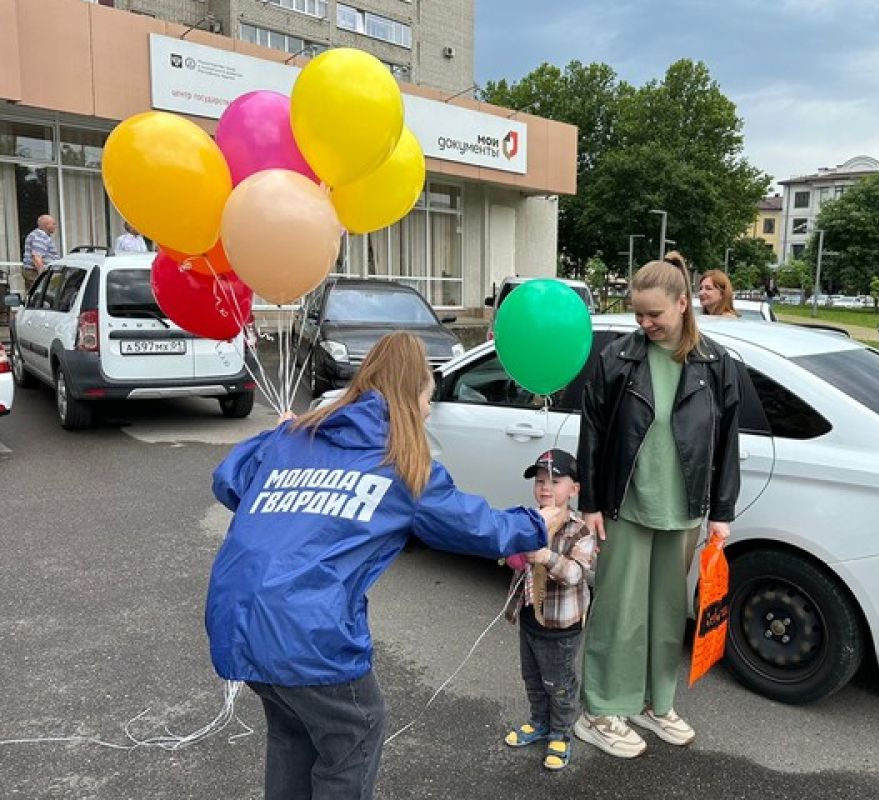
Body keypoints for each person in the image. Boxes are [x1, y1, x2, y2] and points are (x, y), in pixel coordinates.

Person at [205, 332, 559, 800]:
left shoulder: (300, 433)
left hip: (234, 616)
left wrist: (279, 443)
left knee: (295, 732)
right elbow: (474, 525)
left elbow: (230, 481)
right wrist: (535, 525)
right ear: (412, 395)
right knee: (357, 729)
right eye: (429, 397)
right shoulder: (403, 463)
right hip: (306, 631)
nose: (430, 410)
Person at [573, 258, 740, 758]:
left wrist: (722, 512)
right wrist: (591, 501)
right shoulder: (618, 357)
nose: (644, 324)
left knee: (668, 614)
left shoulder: (718, 364)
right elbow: (594, 430)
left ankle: (654, 701)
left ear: (683, 304)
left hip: (685, 509)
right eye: (638, 314)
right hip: (624, 504)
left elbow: (727, 442)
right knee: (617, 612)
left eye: (654, 314)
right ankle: (601, 709)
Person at [502, 448, 596, 772]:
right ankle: (539, 721)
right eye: (540, 480)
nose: (545, 487)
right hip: (530, 618)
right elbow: (512, 559)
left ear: (574, 489)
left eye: (555, 481)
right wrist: (509, 551)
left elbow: (575, 574)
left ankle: (561, 733)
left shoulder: (580, 531)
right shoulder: (529, 520)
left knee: (559, 683)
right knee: (532, 678)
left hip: (562, 626)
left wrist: (544, 556)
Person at [21, 214, 58, 290]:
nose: (55, 226)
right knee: (38, 296)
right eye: (53, 224)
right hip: (34, 272)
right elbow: (36, 257)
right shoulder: (41, 236)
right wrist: (42, 276)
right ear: (46, 225)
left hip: (32, 272)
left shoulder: (37, 234)